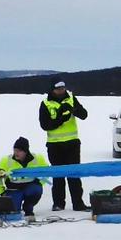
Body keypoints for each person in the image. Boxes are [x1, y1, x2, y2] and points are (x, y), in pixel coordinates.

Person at [39, 76, 90, 211]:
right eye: (58, 88)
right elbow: (45, 125)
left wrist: (74, 110)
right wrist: (61, 118)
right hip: (54, 145)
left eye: (63, 88)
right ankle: (58, 204)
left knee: (74, 174)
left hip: (72, 143)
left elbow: (84, 115)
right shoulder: (46, 103)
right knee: (58, 176)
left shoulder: (72, 98)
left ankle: (78, 203)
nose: (61, 90)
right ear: (52, 89)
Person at [0, 137, 49, 222]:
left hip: (30, 188)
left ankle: (28, 207)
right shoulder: (6, 160)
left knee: (36, 190)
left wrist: (39, 183)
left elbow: (46, 172)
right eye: (15, 150)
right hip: (14, 190)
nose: (16, 153)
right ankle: (15, 205)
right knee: (13, 212)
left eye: (19, 151)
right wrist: (2, 192)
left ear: (25, 151)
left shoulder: (38, 159)